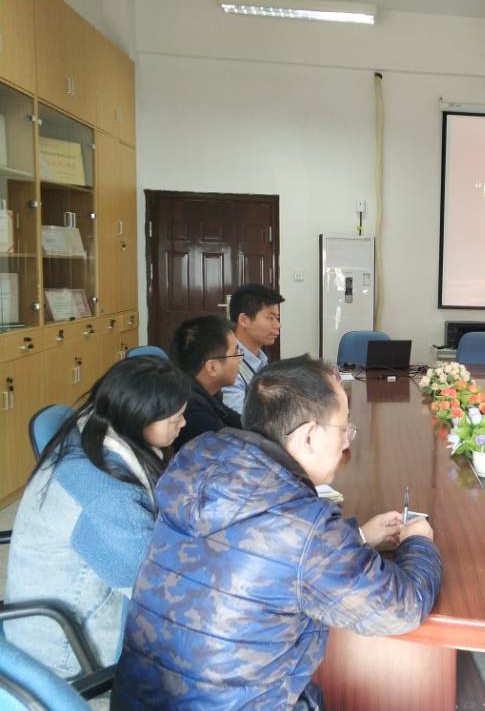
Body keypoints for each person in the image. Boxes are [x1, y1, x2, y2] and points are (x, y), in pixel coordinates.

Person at [111, 356, 443, 710]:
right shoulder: (304, 527)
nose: (347, 442)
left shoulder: (196, 461)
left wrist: (356, 537)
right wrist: (418, 541)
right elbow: (402, 608)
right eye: (344, 428)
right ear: (309, 436)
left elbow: (257, 554)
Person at [3, 357, 190, 677]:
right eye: (175, 418)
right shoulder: (107, 496)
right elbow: (157, 590)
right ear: (139, 418)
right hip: (66, 649)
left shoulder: (93, 430)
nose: (183, 424)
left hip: (57, 613)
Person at [169, 314, 244, 453]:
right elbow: (230, 449)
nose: (240, 358)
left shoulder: (206, 390)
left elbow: (239, 422)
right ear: (212, 367)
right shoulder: (191, 409)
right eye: (236, 352)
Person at [221, 283, 284, 413]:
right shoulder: (227, 363)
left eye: (277, 318)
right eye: (270, 318)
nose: (278, 325)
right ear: (244, 320)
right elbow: (242, 417)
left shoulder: (260, 358)